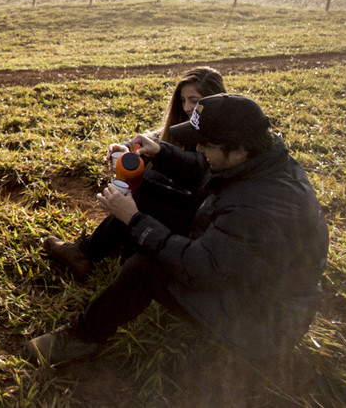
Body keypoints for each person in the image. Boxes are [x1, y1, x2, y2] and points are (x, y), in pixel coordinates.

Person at [27, 93, 329, 370]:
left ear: (238, 149)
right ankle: (84, 254)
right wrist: (159, 151)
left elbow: (198, 268)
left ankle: (84, 336)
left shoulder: (257, 211)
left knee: (145, 268)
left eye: (205, 144)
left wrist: (134, 221)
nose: (198, 148)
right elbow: (205, 170)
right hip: (240, 272)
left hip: (263, 322)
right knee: (143, 197)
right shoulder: (260, 162)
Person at [41, 66, 227, 280]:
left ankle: (85, 252)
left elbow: (200, 168)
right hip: (192, 210)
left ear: (213, 99)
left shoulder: (223, 133)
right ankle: (113, 243)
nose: (186, 107)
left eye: (194, 100)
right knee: (143, 181)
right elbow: (159, 139)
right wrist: (127, 148)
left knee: (144, 186)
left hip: (203, 224)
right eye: (183, 100)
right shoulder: (187, 124)